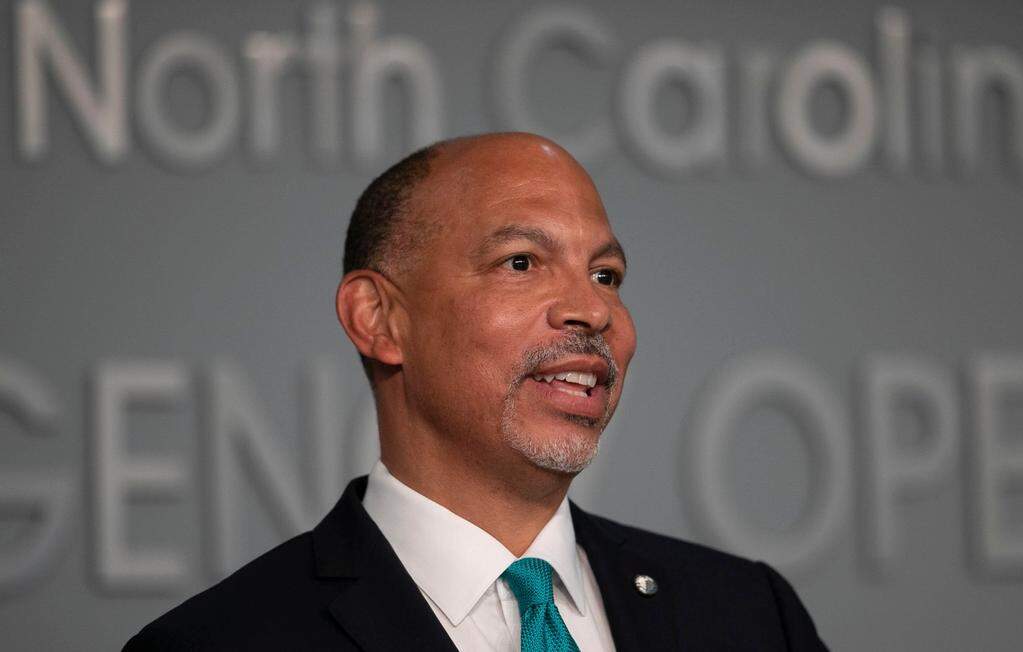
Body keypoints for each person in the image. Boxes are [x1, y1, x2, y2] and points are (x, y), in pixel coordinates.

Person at [123, 133, 828, 651]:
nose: (591, 309)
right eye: (521, 262)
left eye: (607, 275)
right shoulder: (216, 645)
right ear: (380, 320)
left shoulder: (751, 618)